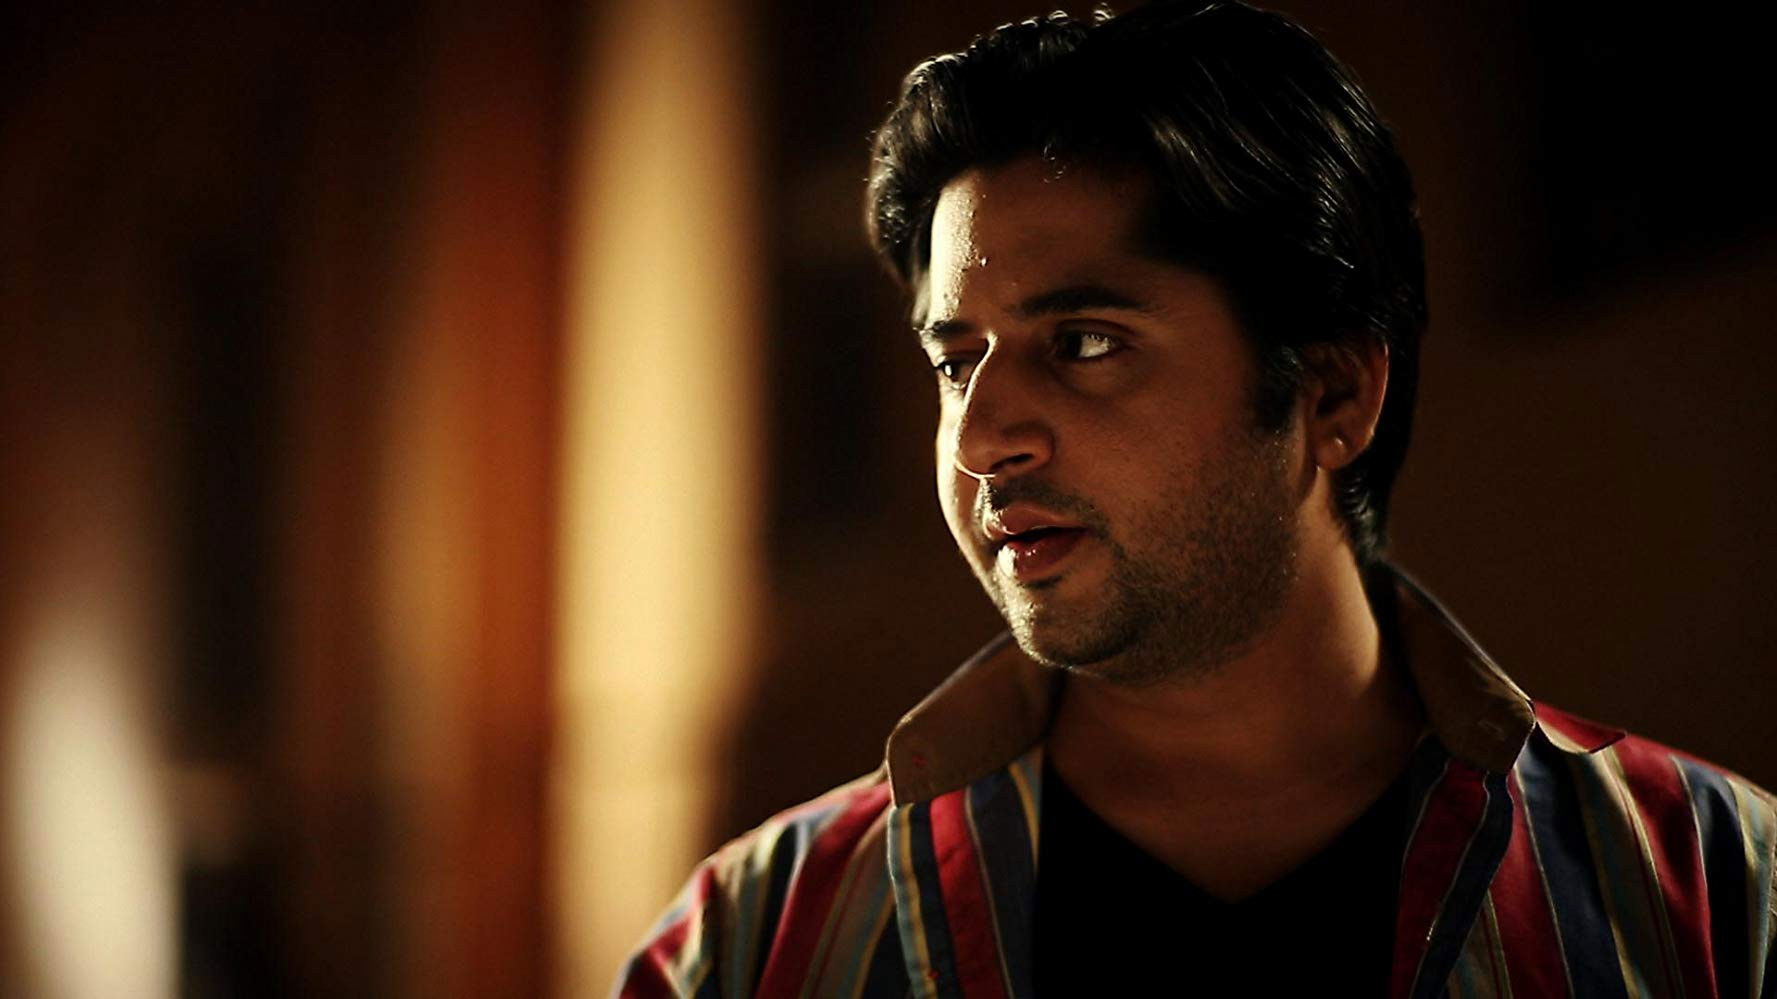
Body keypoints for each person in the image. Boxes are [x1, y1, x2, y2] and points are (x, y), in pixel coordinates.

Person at [615, 3, 1777, 995]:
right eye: (955, 363)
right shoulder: (760, 934)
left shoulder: (1712, 886)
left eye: (1083, 342)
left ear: (1332, 393)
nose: (979, 440)